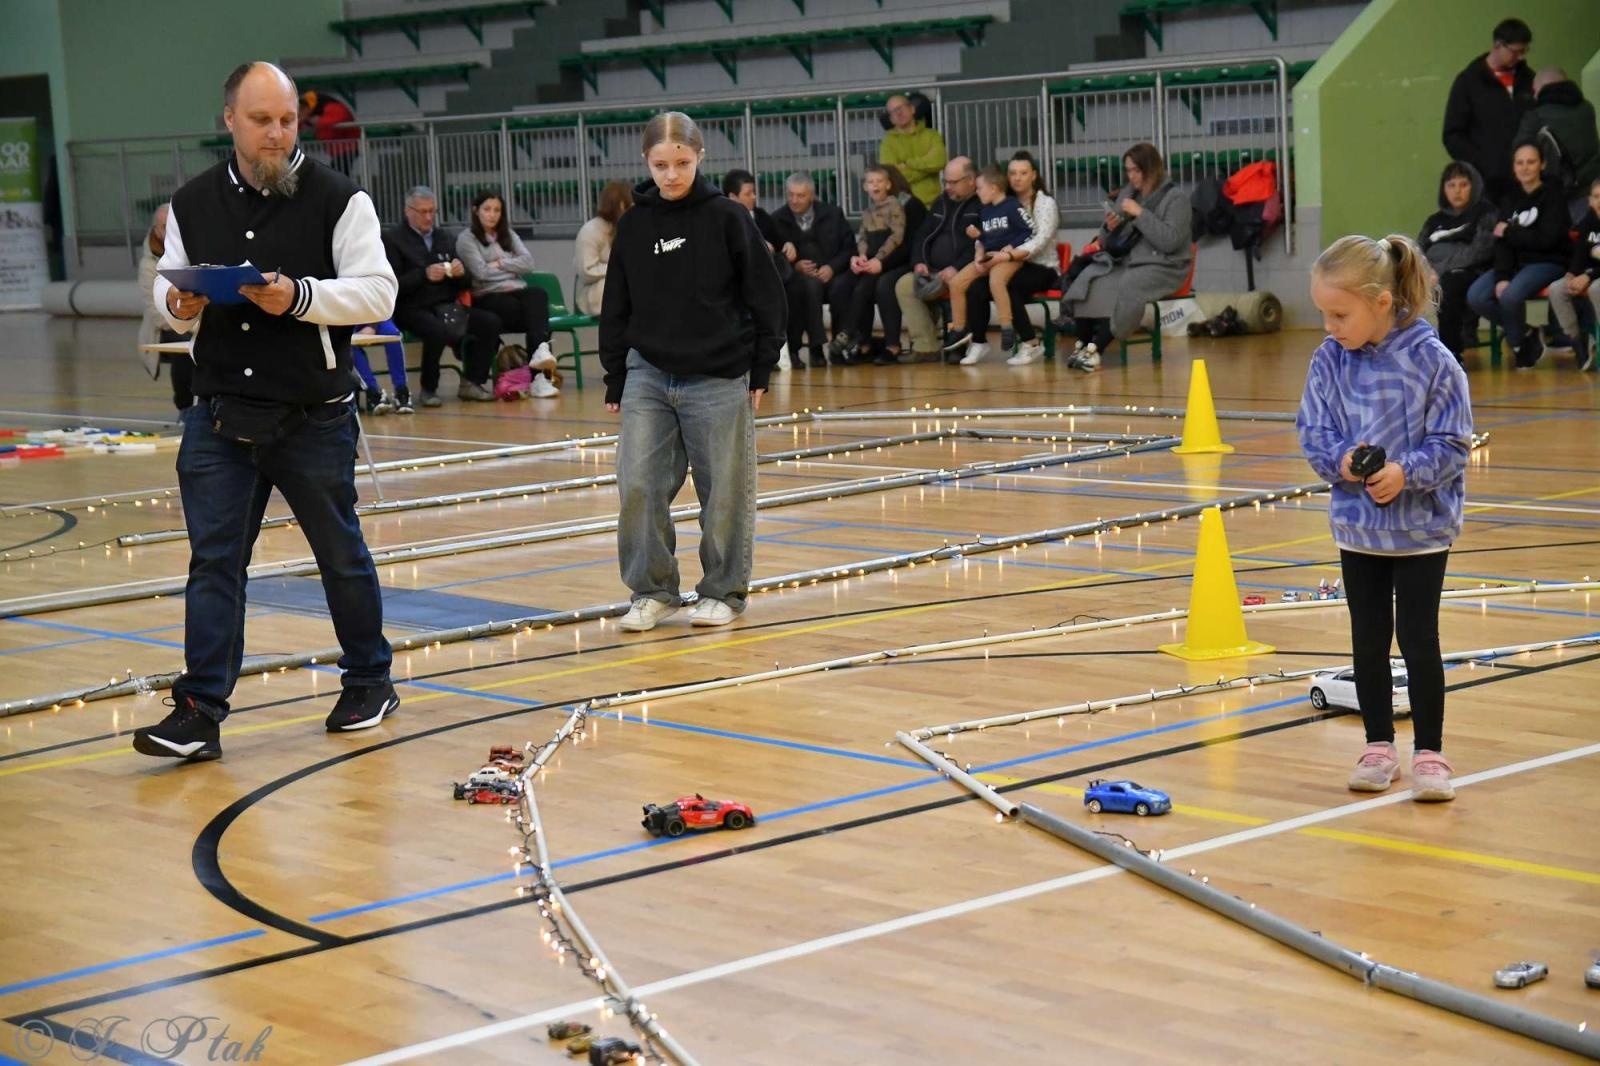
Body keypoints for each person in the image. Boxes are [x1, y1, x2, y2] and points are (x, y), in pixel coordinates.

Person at [136, 61, 400, 763]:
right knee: (214, 562)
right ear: (230, 121)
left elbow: (379, 294)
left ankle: (370, 678)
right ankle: (198, 712)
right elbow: (167, 292)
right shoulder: (191, 203)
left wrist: (303, 297)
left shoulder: (341, 199)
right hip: (218, 412)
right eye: (262, 121)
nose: (278, 134)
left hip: (312, 414)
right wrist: (179, 303)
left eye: (287, 120)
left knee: (339, 555)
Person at [1296, 234, 1472, 802]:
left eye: (1339, 313)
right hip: (1359, 531)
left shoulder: (1433, 362)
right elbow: (1315, 430)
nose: (1330, 326)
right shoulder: (1330, 361)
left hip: (1421, 531)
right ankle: (1377, 746)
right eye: (1324, 314)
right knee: (1367, 640)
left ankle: (1429, 754)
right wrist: (1341, 461)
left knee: (1419, 639)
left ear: (1379, 301)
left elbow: (1451, 443)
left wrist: (1406, 472)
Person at [600, 111, 786, 632]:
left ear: (699, 157)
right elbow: (618, 302)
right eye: (661, 165)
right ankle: (652, 590)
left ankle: (723, 590)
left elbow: (766, 294)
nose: (671, 175)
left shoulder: (728, 218)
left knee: (723, 489)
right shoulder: (635, 224)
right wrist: (616, 374)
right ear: (647, 163)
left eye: (681, 163)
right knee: (637, 483)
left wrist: (761, 367)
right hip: (648, 375)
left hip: (719, 375)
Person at [1059, 143, 1193, 372]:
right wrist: (1110, 227)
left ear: (1151, 169)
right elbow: (1104, 238)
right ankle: (1082, 344)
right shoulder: (1129, 192)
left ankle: (1097, 349)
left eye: (1136, 171)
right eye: (1128, 170)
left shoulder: (1176, 198)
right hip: (1130, 260)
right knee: (1090, 277)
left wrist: (1140, 214)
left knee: (1131, 285)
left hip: (1165, 264)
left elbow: (1170, 241)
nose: (1131, 176)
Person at [384, 185, 502, 404]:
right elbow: (392, 285)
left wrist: (459, 273)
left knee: (489, 322)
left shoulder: (444, 237)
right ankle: (429, 388)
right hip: (411, 307)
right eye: (423, 212)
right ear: (408, 211)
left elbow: (466, 283)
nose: (429, 217)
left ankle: (473, 381)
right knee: (434, 330)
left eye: (432, 211)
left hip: (446, 305)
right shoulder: (392, 239)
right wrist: (423, 275)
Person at [1466, 140, 1571, 368]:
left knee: (1511, 296)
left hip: (1548, 262)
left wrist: (1512, 232)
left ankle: (1520, 348)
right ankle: (1525, 332)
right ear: (1514, 167)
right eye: (1520, 163)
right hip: (1515, 265)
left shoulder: (1554, 197)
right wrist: (1502, 275)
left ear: (1542, 165)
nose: (1525, 167)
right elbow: (1501, 242)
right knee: (1477, 296)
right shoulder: (1509, 200)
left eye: (1531, 162)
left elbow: (1547, 239)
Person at [456, 188, 559, 398]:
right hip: (487, 295)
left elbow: (528, 263)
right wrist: (511, 266)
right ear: (476, 211)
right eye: (487, 209)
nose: (492, 214)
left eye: (497, 210)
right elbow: (480, 272)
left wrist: (500, 262)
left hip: (516, 291)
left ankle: (539, 366)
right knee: (531, 315)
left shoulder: (507, 234)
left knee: (538, 295)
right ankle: (539, 372)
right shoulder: (467, 239)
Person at [893, 157, 982, 363]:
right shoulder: (941, 202)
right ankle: (927, 347)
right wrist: (920, 262)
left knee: (957, 283)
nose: (948, 187)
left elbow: (981, 243)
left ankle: (957, 343)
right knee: (904, 285)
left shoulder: (982, 203)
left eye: (953, 182)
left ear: (971, 180)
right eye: (946, 182)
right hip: (933, 269)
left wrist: (956, 267)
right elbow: (922, 234)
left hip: (964, 270)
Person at [1442, 18, 1535, 206]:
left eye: (1524, 51)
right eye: (1515, 52)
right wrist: (1484, 165)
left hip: (1527, 180)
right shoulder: (1468, 82)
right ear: (1497, 45)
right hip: (1488, 187)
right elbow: (1453, 134)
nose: (1520, 57)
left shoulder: (1528, 78)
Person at [940, 166, 1027, 357]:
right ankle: (959, 328)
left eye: (980, 188)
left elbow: (1028, 231)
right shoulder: (986, 211)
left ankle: (1006, 326)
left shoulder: (1012, 206)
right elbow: (987, 239)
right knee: (956, 283)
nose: (977, 192)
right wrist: (978, 240)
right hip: (988, 257)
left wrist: (1011, 247)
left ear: (994, 188)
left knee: (996, 281)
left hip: (1007, 259)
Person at [769, 173, 853, 367]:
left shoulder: (833, 214)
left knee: (841, 289)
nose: (794, 200)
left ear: (812, 196)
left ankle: (838, 348)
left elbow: (849, 247)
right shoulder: (777, 219)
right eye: (790, 195)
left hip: (833, 272)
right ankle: (811, 349)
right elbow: (773, 255)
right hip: (798, 276)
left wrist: (831, 268)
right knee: (806, 288)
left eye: (800, 196)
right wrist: (794, 265)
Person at [1417, 161, 1496, 359]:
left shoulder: (1485, 213)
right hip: (1434, 273)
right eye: (1451, 185)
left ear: (1474, 186)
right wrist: (1427, 271)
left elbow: (1480, 251)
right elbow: (1417, 251)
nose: (1457, 191)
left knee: (1450, 284)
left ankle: (1450, 353)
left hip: (1471, 272)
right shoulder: (1434, 221)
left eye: (1463, 185)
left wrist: (1440, 270)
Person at [829, 163, 906, 365]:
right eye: (871, 182)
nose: (875, 185)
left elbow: (896, 237)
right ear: (864, 187)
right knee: (845, 284)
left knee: (864, 289)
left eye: (879, 181)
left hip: (884, 260)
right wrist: (861, 256)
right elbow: (862, 237)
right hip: (868, 260)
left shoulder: (894, 206)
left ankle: (848, 331)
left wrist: (878, 258)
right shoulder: (867, 211)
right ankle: (855, 337)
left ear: (888, 184)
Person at [989, 150, 1060, 366]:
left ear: (1034, 175)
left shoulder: (1045, 203)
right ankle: (975, 340)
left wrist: (1009, 254)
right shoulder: (1004, 203)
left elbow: (1041, 240)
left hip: (1042, 267)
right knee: (982, 285)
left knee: (1008, 286)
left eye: (1023, 173)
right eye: (1012, 173)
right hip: (1012, 263)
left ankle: (1031, 342)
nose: (1017, 178)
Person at [1513, 68, 1600, 221]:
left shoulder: (1535, 117)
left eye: (1535, 90)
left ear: (1541, 88)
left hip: (1559, 197)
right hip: (1592, 191)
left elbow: (1520, 152)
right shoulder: (1587, 108)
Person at [136, 203, 194, 410]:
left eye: (173, 226)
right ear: (155, 230)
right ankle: (185, 407)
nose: (169, 231)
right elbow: (158, 314)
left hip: (197, 320)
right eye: (164, 226)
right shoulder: (148, 266)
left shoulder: (194, 251)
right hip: (164, 328)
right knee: (185, 347)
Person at [1547, 178, 1600, 371]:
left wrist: (1589, 276)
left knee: (1596, 288)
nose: (1599, 202)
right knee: (1557, 288)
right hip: (1590, 273)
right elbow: (1580, 252)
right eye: (1596, 197)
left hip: (1595, 277)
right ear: (1590, 201)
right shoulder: (1589, 220)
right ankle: (1577, 340)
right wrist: (1572, 273)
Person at [573, 180, 633, 315]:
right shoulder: (591, 230)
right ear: (622, 205)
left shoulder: (632, 228)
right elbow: (586, 271)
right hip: (596, 290)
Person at [879, 93, 947, 209]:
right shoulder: (888, 142)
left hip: (933, 203)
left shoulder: (932, 135)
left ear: (912, 109)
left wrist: (907, 164)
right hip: (904, 205)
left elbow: (939, 161)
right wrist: (927, 167)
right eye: (893, 112)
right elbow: (892, 175)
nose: (899, 113)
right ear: (891, 119)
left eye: (901, 108)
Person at [352, 321, 413, 414]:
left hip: (377, 318)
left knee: (393, 334)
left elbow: (383, 307)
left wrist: (372, 326)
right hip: (347, 323)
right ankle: (373, 392)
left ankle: (401, 389)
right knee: (348, 342)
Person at [298, 90, 359, 176]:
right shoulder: (313, 114)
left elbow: (338, 119)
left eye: (303, 108)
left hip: (347, 147)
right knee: (338, 172)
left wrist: (317, 122)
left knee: (337, 172)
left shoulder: (332, 107)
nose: (301, 111)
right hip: (339, 149)